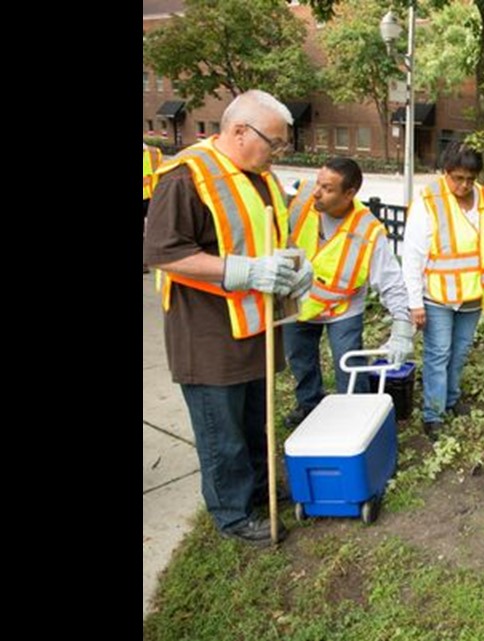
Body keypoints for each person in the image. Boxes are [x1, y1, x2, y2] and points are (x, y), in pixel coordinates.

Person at [143, 90, 314, 547]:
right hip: (207, 333)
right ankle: (233, 514)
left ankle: (258, 488)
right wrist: (245, 271)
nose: (279, 152)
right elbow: (161, 253)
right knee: (223, 431)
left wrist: (296, 267)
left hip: (254, 324)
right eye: (274, 142)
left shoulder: (259, 176)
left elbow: (269, 235)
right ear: (239, 132)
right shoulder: (185, 177)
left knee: (255, 420)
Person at [281, 157, 414, 428]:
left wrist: (402, 328)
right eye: (318, 183)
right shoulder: (300, 199)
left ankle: (354, 417)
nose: (317, 192)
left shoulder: (367, 230)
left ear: (349, 193)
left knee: (349, 365)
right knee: (300, 360)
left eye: (327, 188)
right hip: (297, 301)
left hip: (342, 308)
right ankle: (309, 405)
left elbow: (390, 281)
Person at [401, 141, 484, 441]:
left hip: (474, 296)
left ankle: (451, 400)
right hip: (438, 295)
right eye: (457, 178)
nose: (463, 185)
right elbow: (412, 256)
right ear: (445, 172)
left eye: (470, 179)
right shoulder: (428, 202)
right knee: (439, 353)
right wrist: (415, 303)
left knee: (460, 352)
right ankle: (433, 415)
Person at [143, 142, 163, 273]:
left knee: (153, 229)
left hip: (152, 197)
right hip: (153, 197)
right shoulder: (155, 152)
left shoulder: (155, 153)